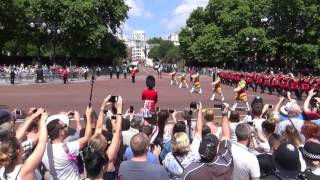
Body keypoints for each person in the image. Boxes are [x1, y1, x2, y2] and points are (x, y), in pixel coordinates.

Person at [181, 103, 233, 180]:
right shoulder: (224, 163)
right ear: (216, 151)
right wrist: (224, 114)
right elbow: (226, 137)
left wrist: (199, 111)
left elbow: (198, 132)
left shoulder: (190, 171)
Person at [41, 108, 92, 180]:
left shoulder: (43, 149)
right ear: (61, 132)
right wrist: (88, 116)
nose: (67, 126)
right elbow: (87, 137)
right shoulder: (68, 147)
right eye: (65, 125)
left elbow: (43, 138)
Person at [83, 95, 123, 180]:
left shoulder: (89, 153)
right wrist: (119, 110)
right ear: (103, 145)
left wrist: (102, 107)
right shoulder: (109, 156)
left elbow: (98, 128)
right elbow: (117, 132)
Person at [0, 112, 48, 180]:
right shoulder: (25, 170)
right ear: (18, 151)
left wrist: (32, 116)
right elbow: (42, 142)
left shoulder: (2, 169)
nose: (22, 143)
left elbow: (17, 137)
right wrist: (43, 121)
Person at [162, 102, 203, 179]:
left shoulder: (168, 157)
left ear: (174, 144)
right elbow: (198, 132)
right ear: (187, 143)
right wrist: (199, 111)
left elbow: (164, 173)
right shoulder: (194, 154)